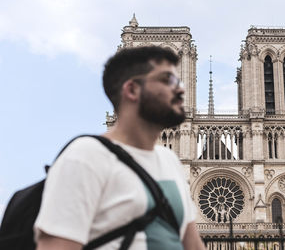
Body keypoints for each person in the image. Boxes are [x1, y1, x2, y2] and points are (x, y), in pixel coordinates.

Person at [34, 46, 206, 250]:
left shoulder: (170, 161)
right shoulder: (84, 157)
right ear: (132, 90)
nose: (181, 89)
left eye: (179, 80)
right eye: (167, 79)